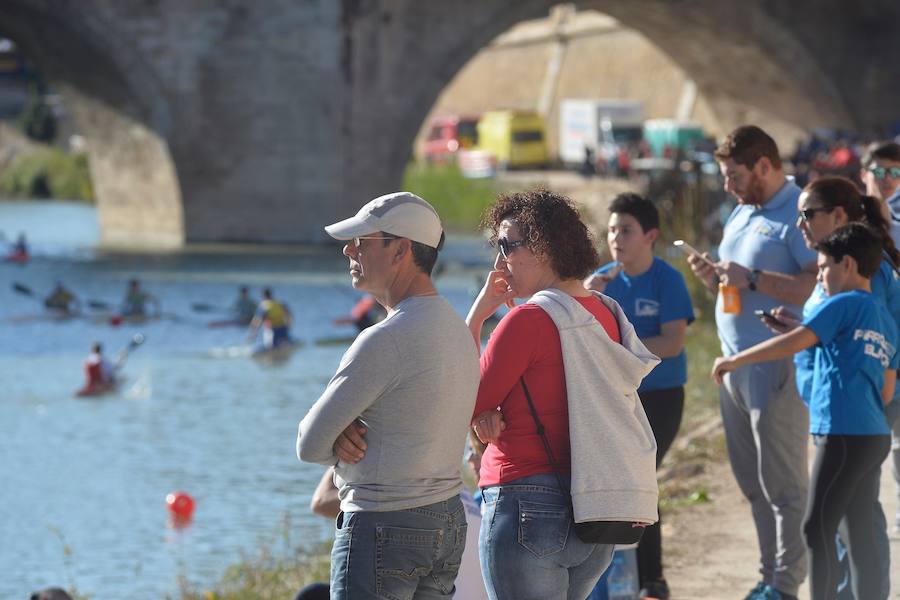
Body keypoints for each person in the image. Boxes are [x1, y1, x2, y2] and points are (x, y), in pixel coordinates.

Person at [467, 189, 659, 600]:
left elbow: (459, 398)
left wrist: (478, 315)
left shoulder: (527, 321)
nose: (500, 262)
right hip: (594, 510)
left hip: (525, 505)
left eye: (507, 245)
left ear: (542, 246)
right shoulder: (607, 313)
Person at [296, 191, 480, 599]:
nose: (349, 249)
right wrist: (347, 431)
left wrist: (342, 436)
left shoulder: (384, 339)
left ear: (400, 250)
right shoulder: (457, 332)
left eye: (362, 241)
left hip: (382, 524)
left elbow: (308, 445)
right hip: (446, 523)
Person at [712, 223, 897, 600]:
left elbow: (795, 343)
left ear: (847, 264)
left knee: (816, 529)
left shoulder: (841, 304)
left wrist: (734, 359)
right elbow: (887, 387)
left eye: (824, 268)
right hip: (873, 434)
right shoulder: (882, 317)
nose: (821, 277)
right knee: (858, 532)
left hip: (843, 435)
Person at [686, 125, 817, 600]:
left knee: (783, 484)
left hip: (775, 364)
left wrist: (755, 277)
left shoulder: (801, 210)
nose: (728, 185)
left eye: (734, 174)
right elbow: (737, 285)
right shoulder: (742, 212)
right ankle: (768, 578)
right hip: (734, 367)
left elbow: (815, 285)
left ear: (764, 165)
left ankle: (786, 584)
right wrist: (715, 279)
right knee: (753, 483)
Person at [764, 176, 900, 599]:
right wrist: (802, 330)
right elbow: (840, 333)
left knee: (850, 520)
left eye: (807, 214)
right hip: (841, 411)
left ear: (838, 215)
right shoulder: (836, 263)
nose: (799, 223)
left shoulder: (858, 267)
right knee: (847, 518)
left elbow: (871, 342)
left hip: (857, 412)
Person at [584, 192, 694, 600]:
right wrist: (584, 299)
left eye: (626, 230)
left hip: (662, 396)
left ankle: (653, 580)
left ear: (650, 235)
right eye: (612, 230)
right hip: (618, 399)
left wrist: (619, 350)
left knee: (641, 479)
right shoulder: (601, 281)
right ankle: (617, 576)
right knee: (623, 483)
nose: (616, 238)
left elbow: (673, 342)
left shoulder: (667, 279)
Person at [860, 141, 900, 240]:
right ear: (864, 175)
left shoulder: (896, 225)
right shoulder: (849, 220)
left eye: (895, 172)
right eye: (879, 172)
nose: (888, 179)